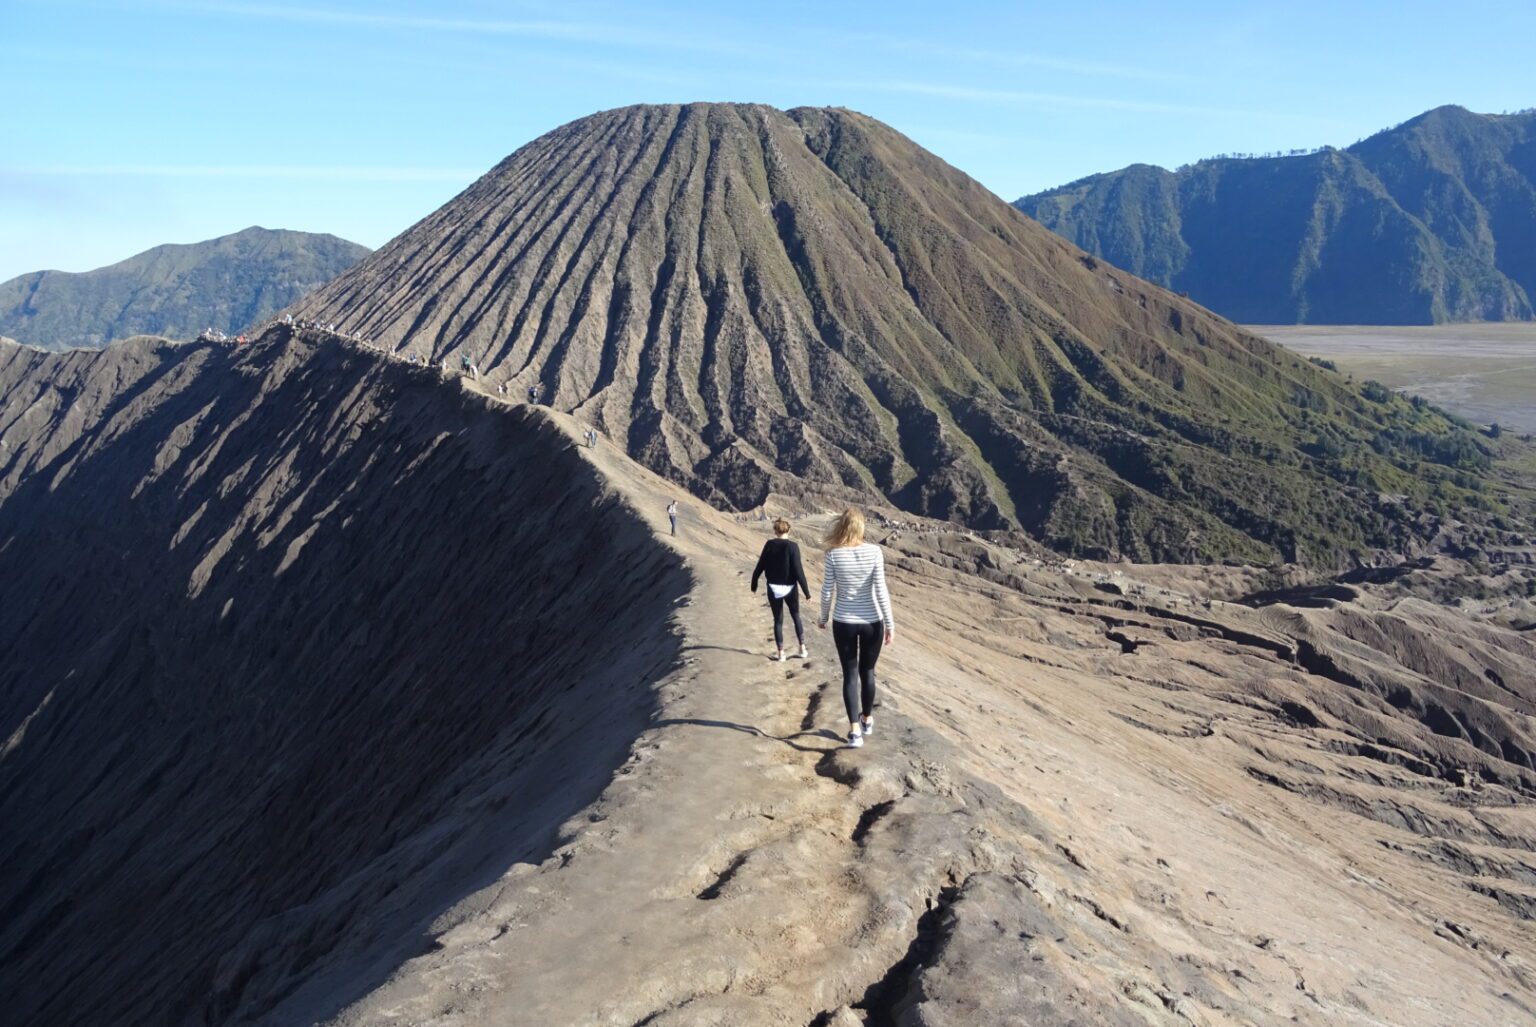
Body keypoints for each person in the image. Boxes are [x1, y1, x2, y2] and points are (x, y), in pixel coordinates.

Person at [818, 508, 894, 749]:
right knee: (868, 672)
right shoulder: (875, 552)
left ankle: (854, 731)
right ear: (861, 527)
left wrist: (823, 617)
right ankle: (867, 719)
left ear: (842, 525)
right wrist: (890, 623)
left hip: (844, 623)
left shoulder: (833, 554)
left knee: (850, 674)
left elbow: (827, 591)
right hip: (872, 622)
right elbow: (881, 590)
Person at [751, 518, 811, 661]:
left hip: (773, 588)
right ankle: (802, 648)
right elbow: (799, 572)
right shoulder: (793, 547)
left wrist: (754, 584)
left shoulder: (769, 545)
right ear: (789, 530)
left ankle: (780, 654)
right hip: (790, 588)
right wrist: (807, 593)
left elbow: (760, 566)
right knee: (796, 615)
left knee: (778, 620)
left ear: (775, 531)